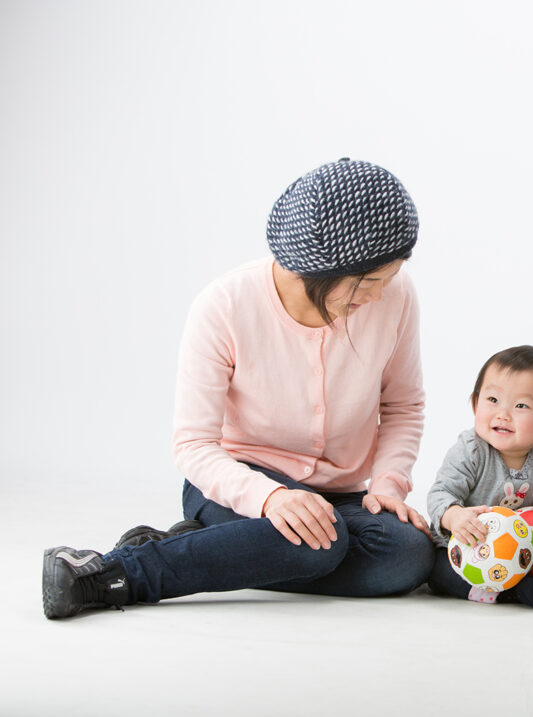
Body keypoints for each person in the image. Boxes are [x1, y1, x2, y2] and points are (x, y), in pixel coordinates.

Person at [42, 158, 435, 619]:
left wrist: (387, 485)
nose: (377, 297)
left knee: (406, 556)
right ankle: (118, 572)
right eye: (367, 282)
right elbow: (194, 446)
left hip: (342, 499)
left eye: (386, 280)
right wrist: (270, 497)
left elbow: (403, 405)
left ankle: (206, 549)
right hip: (234, 485)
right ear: (319, 267)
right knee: (316, 547)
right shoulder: (223, 306)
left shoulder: (397, 296)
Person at [426, 346, 533, 613]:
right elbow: (440, 494)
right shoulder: (471, 450)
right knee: (438, 569)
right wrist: (455, 516)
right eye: (492, 400)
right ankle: (515, 593)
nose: (503, 414)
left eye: (520, 406)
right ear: (474, 403)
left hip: (530, 553)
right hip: (473, 550)